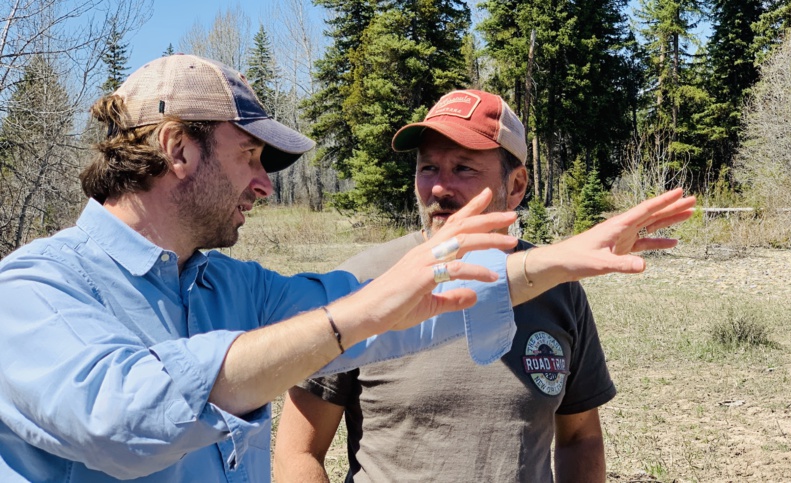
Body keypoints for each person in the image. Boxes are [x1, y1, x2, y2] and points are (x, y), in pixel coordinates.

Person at [0, 55, 694, 482]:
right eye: (250, 156)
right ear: (178, 149)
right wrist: (352, 316)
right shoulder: (35, 291)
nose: (266, 184)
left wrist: (557, 259)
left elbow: (404, 313)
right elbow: (120, 420)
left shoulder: (223, 286)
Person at [274, 89, 621, 482]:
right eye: (428, 168)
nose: (439, 188)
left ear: (517, 184)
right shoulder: (361, 282)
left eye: (463, 169)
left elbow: (581, 437)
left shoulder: (556, 287)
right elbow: (297, 452)